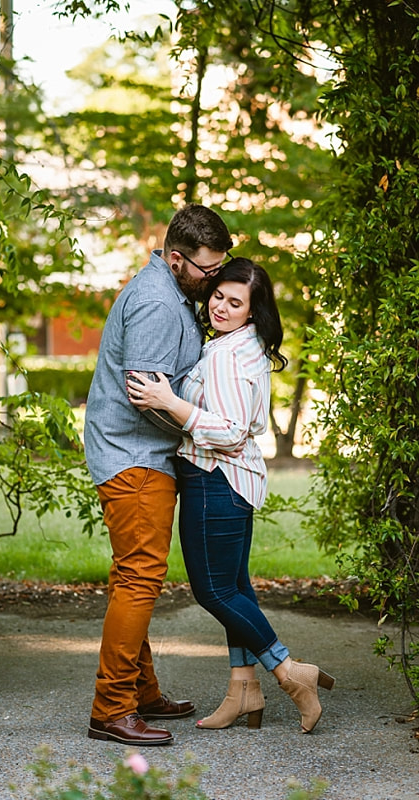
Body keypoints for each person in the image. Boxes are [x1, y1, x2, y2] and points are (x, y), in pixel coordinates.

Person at [127, 258, 334, 734]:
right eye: (219, 294)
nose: (221, 306)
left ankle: (287, 671)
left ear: (252, 310)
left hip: (213, 478)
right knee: (236, 587)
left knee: (213, 590)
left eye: (235, 302)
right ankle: (243, 691)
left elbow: (232, 430)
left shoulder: (225, 355)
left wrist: (170, 403)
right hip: (234, 481)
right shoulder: (242, 346)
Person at [84, 204, 234, 746]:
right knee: (141, 577)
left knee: (133, 575)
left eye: (222, 267)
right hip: (135, 457)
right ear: (176, 259)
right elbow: (145, 395)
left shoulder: (171, 293)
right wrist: (197, 428)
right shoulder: (155, 302)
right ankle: (112, 707)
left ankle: (141, 691)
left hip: (140, 454)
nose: (215, 279)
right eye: (207, 270)